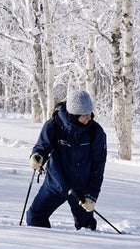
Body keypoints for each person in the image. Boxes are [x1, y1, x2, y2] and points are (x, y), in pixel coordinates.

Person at [26, 89, 106, 230]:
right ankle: (43, 247)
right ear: (74, 114)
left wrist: (91, 196)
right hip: (55, 184)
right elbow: (42, 146)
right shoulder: (54, 126)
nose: (89, 117)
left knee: (86, 227)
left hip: (80, 191)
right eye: (85, 114)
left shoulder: (96, 133)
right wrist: (37, 156)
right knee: (35, 217)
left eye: (90, 113)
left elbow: (98, 167)